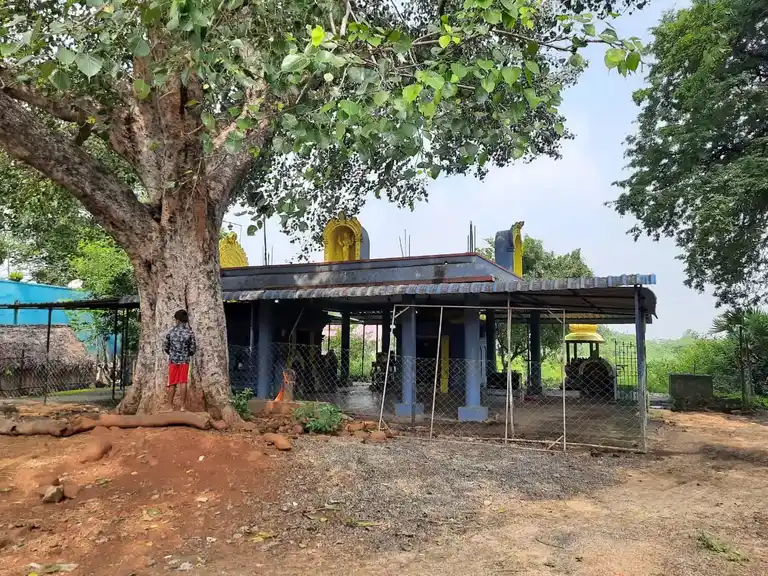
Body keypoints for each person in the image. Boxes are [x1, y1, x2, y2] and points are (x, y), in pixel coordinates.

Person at [163, 309, 196, 411]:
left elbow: (165, 347)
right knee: (183, 382)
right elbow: (193, 348)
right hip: (184, 360)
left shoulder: (171, 332)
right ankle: (182, 406)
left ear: (177, 319)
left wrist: (172, 354)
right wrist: (186, 354)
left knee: (172, 382)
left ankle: (169, 406)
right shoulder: (189, 332)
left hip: (173, 360)